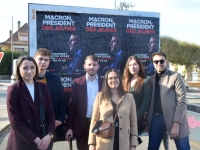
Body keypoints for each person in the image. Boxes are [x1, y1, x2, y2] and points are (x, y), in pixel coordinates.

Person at [6, 56, 55, 150]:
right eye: (25, 68)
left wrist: (49, 135)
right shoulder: (13, 90)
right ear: (19, 70)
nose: (29, 71)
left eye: (32, 67)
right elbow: (15, 122)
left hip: (44, 138)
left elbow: (51, 114)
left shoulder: (43, 87)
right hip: (22, 141)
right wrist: (36, 140)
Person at [148, 52, 190, 150]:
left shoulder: (176, 76)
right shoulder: (151, 79)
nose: (159, 63)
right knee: (152, 148)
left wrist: (176, 124)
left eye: (162, 61)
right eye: (156, 61)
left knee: (183, 148)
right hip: (157, 119)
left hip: (176, 119)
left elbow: (182, 100)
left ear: (166, 62)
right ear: (153, 63)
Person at [88, 69, 139, 150]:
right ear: (106, 81)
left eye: (116, 78)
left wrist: (133, 144)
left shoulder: (129, 97)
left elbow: (133, 122)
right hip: (104, 141)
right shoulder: (99, 97)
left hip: (123, 141)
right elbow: (94, 121)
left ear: (119, 79)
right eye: (110, 78)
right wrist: (92, 143)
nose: (113, 80)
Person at [66, 55, 103, 150]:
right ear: (84, 66)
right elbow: (72, 107)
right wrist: (69, 128)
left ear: (98, 66)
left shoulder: (104, 83)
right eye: (89, 64)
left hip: (100, 124)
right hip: (82, 125)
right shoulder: (77, 83)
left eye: (94, 64)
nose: (91, 67)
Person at [34, 48, 66, 141]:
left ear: (49, 62)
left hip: (50, 125)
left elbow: (61, 101)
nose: (43, 62)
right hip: (32, 125)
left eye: (46, 60)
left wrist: (60, 119)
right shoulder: (28, 79)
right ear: (35, 59)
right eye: (40, 59)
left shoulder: (55, 79)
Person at [122, 56, 152, 135]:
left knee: (132, 144)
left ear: (139, 65)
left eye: (135, 64)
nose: (133, 67)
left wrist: (133, 119)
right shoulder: (124, 81)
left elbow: (145, 105)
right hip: (123, 118)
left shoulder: (145, 82)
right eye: (130, 65)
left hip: (136, 119)